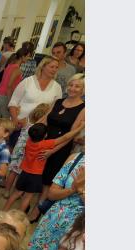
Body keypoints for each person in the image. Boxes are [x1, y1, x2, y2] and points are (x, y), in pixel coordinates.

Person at [25, 152, 84, 250]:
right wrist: (73, 188)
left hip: (78, 232)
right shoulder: (76, 158)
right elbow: (51, 193)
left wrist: (82, 191)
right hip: (54, 222)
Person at [34, 74, 85, 219]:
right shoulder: (58, 101)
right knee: (38, 174)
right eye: (71, 85)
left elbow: (70, 135)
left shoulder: (83, 109)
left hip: (60, 148)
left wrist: (51, 151)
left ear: (82, 90)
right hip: (44, 143)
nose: (73, 89)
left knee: (48, 181)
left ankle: (38, 210)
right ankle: (32, 203)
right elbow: (45, 120)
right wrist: (33, 135)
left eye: (77, 86)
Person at [4, 122, 83, 213]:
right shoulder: (45, 144)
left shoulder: (29, 141)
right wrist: (80, 127)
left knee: (15, 193)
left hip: (24, 172)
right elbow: (65, 138)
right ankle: (18, 217)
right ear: (45, 135)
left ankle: (4, 210)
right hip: (35, 176)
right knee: (27, 197)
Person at [3, 103, 50, 199]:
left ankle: (6, 191)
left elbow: (17, 125)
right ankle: (16, 192)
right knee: (21, 173)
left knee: (13, 171)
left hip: (18, 149)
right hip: (27, 152)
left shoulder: (26, 120)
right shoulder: (42, 127)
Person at [8, 57, 62, 132]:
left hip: (38, 130)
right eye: (51, 67)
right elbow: (13, 102)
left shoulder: (57, 87)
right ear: (43, 66)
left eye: (56, 67)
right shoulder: (28, 81)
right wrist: (15, 120)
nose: (54, 70)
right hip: (19, 125)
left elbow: (55, 110)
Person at [0, 48, 30, 118]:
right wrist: (11, 102)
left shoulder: (9, 65)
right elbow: (9, 86)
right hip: (4, 97)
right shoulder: (17, 69)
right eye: (27, 56)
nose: (28, 58)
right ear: (22, 57)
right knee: (5, 124)